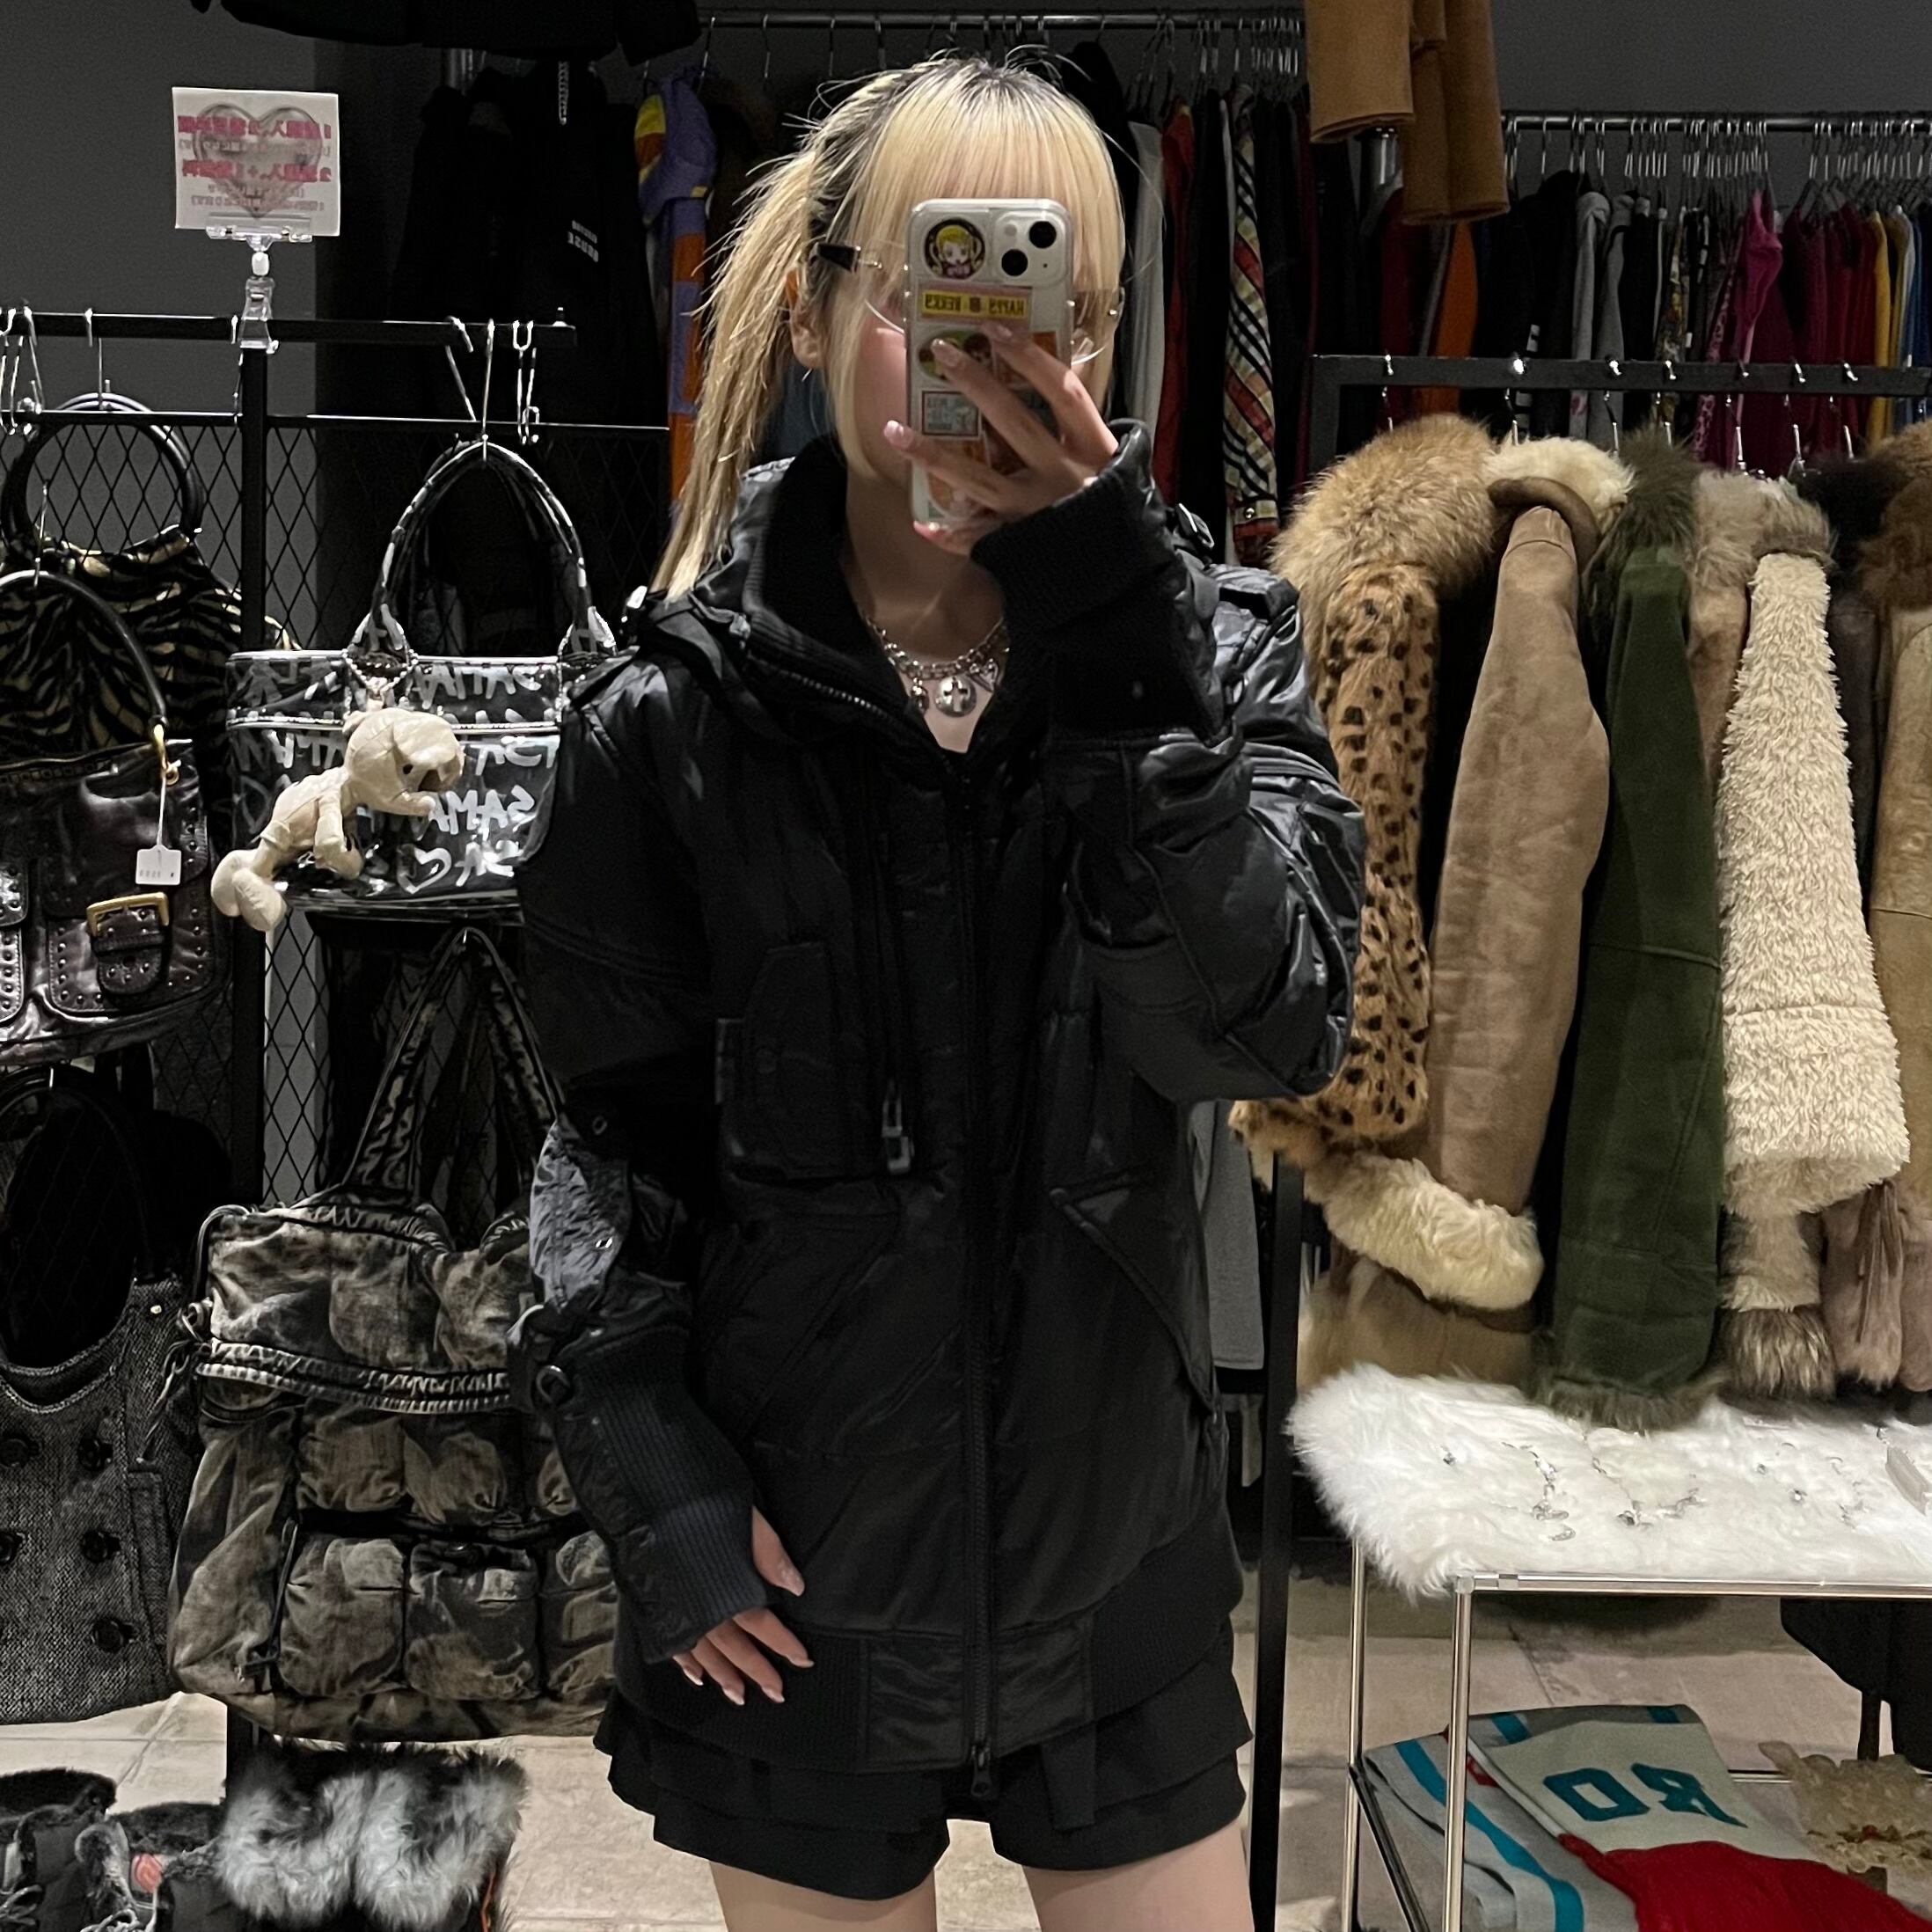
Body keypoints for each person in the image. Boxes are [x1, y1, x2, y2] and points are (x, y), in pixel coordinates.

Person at [512, 55, 1363, 1932]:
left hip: (1114, 1564)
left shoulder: (1214, 659)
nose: (1002, 360)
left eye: (1056, 307)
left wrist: (1117, 646)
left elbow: (1258, 1033)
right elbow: (605, 1147)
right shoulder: (672, 721)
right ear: (817, 316)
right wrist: (649, 1475)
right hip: (795, 1575)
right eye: (940, 291)